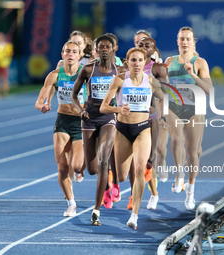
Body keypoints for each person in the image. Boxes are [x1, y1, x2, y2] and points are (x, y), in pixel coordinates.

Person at [100, 47, 164, 229]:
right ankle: (117, 184)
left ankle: (134, 215)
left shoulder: (151, 81)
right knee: (121, 175)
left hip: (143, 129)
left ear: (145, 63)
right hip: (122, 130)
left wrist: (162, 115)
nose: (136, 64)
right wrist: (118, 109)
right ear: (127, 62)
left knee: (138, 170)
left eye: (140, 60)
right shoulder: (120, 80)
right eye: (133, 60)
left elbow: (163, 99)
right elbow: (104, 107)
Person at [71, 35, 125, 226]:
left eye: (107, 46)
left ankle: (96, 211)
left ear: (113, 50)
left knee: (103, 161)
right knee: (92, 169)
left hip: (108, 117)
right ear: (95, 49)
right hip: (89, 117)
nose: (103, 49)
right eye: (100, 46)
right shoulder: (87, 69)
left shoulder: (120, 71)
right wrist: (81, 110)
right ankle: (104, 179)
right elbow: (74, 94)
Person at [35, 41, 86, 217]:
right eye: (67, 51)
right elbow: (38, 101)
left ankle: (82, 168)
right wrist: (42, 106)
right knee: (62, 167)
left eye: (74, 52)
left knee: (77, 166)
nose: (70, 54)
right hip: (62, 121)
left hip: (80, 123)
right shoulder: (55, 75)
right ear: (62, 54)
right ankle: (71, 203)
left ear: (80, 55)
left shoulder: (86, 75)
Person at [164, 27, 212, 210]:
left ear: (194, 42)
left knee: (193, 152)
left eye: (188, 39)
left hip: (195, 108)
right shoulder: (169, 62)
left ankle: (190, 190)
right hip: (175, 108)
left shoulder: (200, 62)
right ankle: (179, 175)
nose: (184, 42)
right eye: (181, 39)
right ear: (177, 41)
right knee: (176, 140)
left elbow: (209, 90)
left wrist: (192, 75)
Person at [126, 37, 168, 210]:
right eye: (140, 45)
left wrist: (164, 115)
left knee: (150, 158)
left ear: (153, 50)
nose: (143, 48)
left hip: (152, 116)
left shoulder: (157, 68)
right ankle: (134, 194)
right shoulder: (130, 65)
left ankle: (154, 193)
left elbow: (165, 92)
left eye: (147, 46)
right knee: (134, 159)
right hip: (133, 116)